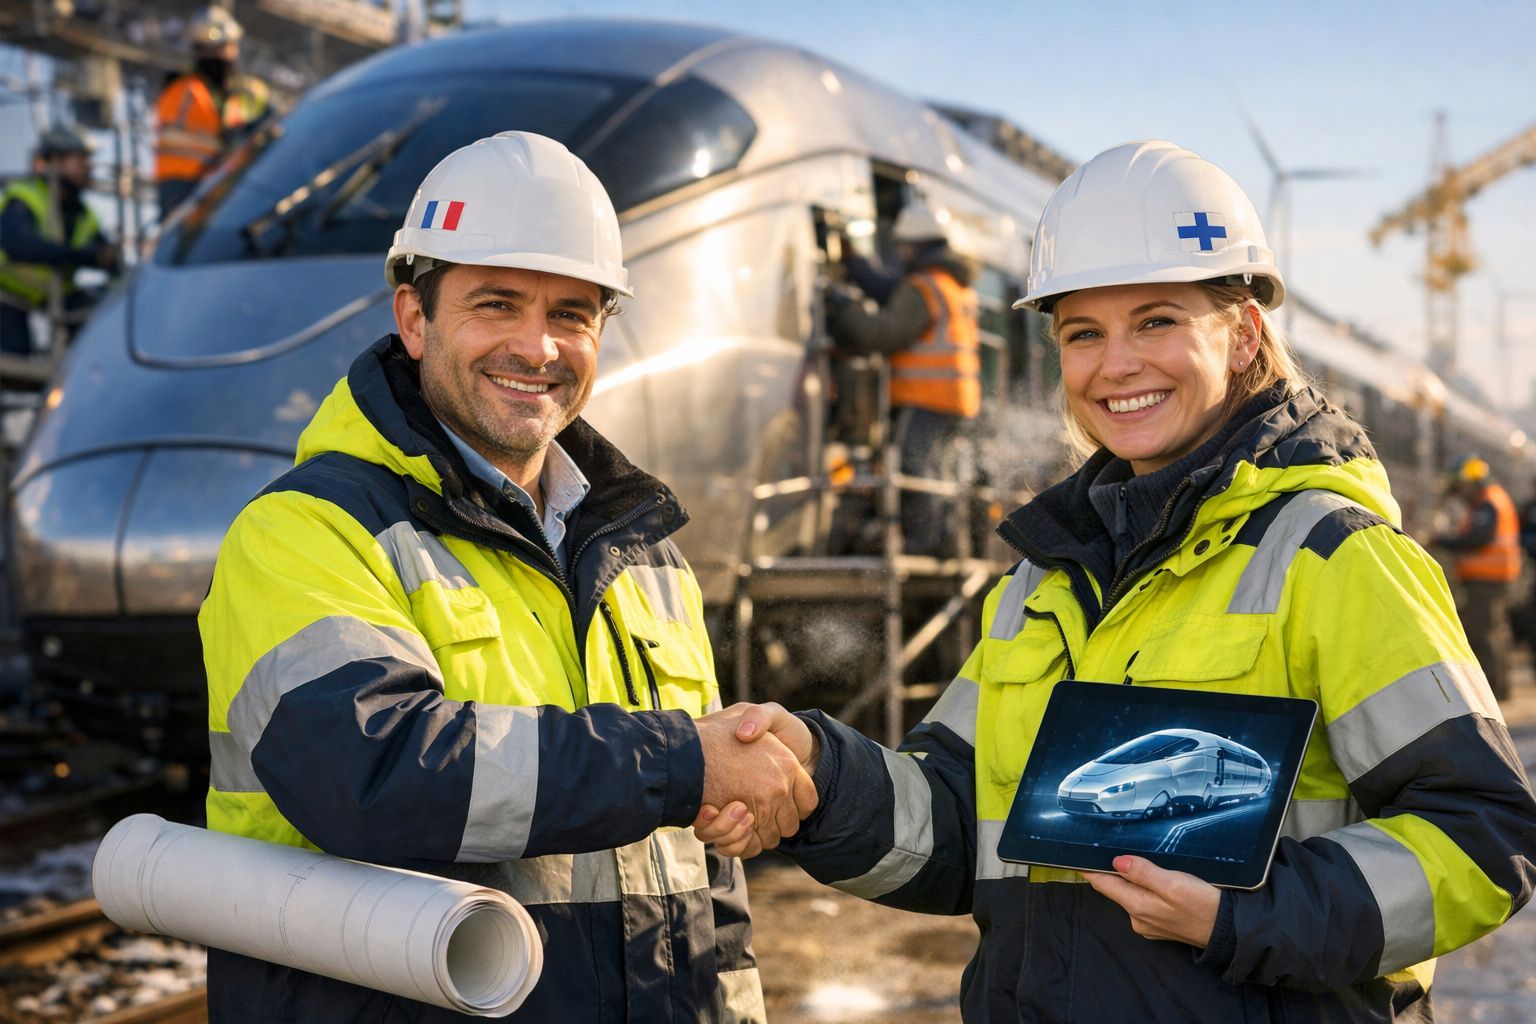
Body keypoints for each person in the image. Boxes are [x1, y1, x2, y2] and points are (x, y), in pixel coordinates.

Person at [700, 141, 1536, 1022]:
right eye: (1083, 334)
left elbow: (1484, 835)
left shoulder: (1332, 556)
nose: (1117, 364)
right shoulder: (1042, 580)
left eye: (1157, 321)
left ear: (1242, 332)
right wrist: (822, 777)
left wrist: (1245, 913)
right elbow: (953, 822)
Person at [199, 131, 816, 1022]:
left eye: (572, 313)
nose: (538, 347)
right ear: (414, 319)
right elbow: (373, 779)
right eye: (496, 304)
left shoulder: (648, 558)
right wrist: (685, 760)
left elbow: (709, 894)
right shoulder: (306, 533)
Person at [828, 201, 981, 555]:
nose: (898, 253)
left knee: (915, 469)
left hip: (927, 396)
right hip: (956, 398)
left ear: (912, 246)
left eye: (901, 247)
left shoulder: (924, 287)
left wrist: (843, 311)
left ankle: (919, 544)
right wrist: (855, 263)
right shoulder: (951, 284)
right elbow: (888, 289)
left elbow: (883, 334)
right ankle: (940, 542)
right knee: (937, 472)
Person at [0, 128, 117, 356]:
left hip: (53, 296)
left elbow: (107, 256)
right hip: (6, 293)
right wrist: (80, 256)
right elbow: (19, 245)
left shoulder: (84, 215)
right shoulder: (24, 197)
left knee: (98, 313)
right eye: (80, 159)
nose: (88, 168)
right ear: (55, 162)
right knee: (15, 352)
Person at [154, 5, 269, 214]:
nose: (221, 54)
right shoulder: (183, 91)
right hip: (187, 187)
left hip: (232, 188)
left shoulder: (248, 92)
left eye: (223, 47)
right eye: (210, 49)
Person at [1431, 454, 1521, 700]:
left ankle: (1493, 692)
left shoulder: (1488, 502)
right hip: (1492, 578)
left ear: (1469, 481)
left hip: (1487, 580)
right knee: (1496, 633)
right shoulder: (1491, 499)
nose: (1459, 493)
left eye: (1460, 487)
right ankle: (1501, 689)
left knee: (1484, 634)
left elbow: (1478, 539)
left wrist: (1442, 541)